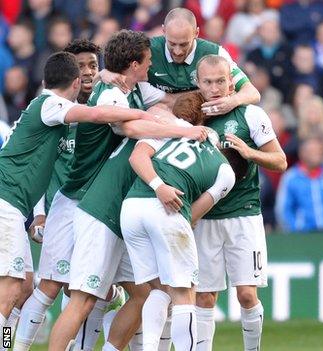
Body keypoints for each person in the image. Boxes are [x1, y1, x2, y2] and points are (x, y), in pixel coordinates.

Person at [45, 31, 210, 351]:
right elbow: (130, 127)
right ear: (134, 64)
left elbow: (171, 100)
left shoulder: (134, 88)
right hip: (92, 203)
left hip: (117, 207)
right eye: (148, 61)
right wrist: (184, 132)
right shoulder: (111, 94)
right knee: (74, 297)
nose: (153, 66)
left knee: (144, 293)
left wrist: (217, 92)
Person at [0, 50, 156, 334]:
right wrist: (143, 114)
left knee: (23, 287)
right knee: (10, 289)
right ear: (74, 83)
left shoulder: (47, 105)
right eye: (81, 74)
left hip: (12, 204)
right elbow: (96, 113)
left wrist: (103, 76)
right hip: (5, 202)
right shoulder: (51, 105)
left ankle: (8, 344)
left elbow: (88, 96)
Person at [120, 93, 241, 351]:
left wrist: (157, 184)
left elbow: (136, 157)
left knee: (158, 289)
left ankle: (149, 348)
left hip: (131, 208)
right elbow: (194, 212)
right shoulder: (226, 172)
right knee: (184, 294)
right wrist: (167, 194)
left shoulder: (172, 129)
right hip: (164, 212)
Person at [195, 54, 287, 350]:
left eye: (220, 80)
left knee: (246, 294)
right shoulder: (189, 117)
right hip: (205, 216)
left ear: (231, 82)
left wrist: (250, 153)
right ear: (198, 84)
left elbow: (280, 161)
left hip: (243, 214)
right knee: (205, 296)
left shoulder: (250, 115)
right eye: (208, 82)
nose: (215, 88)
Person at [13, 39, 98, 350]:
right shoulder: (51, 110)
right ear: (70, 78)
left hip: (102, 212)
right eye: (81, 67)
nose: (87, 72)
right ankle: (13, 345)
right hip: (59, 208)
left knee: (92, 292)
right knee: (42, 286)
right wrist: (39, 212)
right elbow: (41, 168)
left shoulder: (111, 103)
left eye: (93, 65)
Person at [100, 7, 260, 114]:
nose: (177, 51)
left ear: (197, 33)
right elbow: (118, 70)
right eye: (171, 43)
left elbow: (252, 93)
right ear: (163, 31)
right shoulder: (147, 49)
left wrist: (232, 101)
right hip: (158, 119)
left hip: (204, 119)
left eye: (184, 44)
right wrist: (106, 72)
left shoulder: (215, 53)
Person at [276, 135, 323, 233]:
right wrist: (295, 228)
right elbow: (283, 210)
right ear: (302, 153)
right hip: (303, 235)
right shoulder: (291, 177)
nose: (317, 154)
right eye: (312, 151)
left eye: (319, 151)